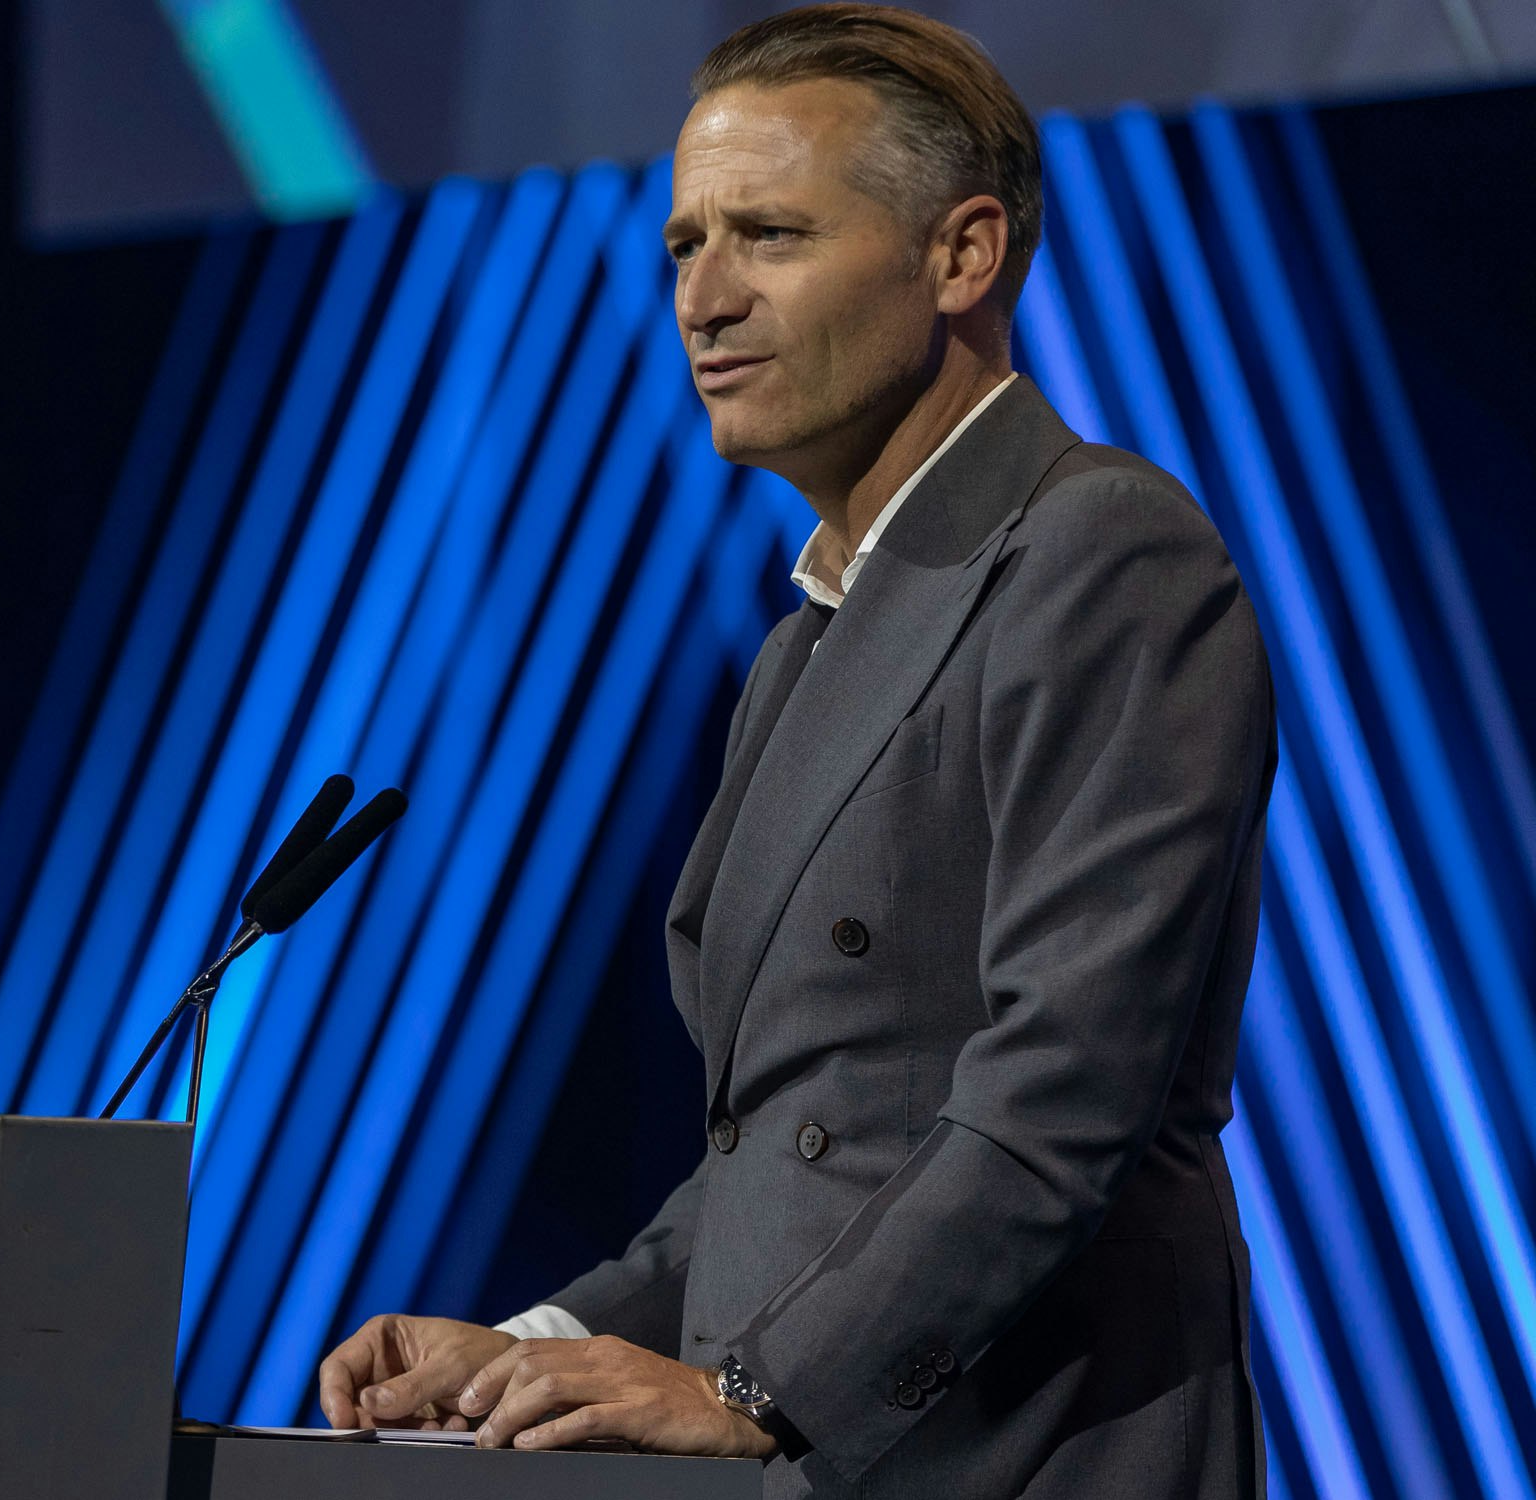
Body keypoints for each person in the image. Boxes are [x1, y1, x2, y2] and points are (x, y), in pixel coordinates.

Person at [316, 6, 1276, 1496]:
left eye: (768, 235)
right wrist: (541, 1346)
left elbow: (1063, 1095)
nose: (703, 300)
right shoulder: (805, 644)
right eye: (684, 246)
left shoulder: (1103, 553)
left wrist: (762, 1392)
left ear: (962, 255)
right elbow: (789, 1152)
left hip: (1027, 1457)